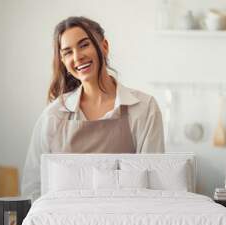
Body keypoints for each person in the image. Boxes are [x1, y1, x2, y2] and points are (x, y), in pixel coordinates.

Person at [22, 16, 165, 200]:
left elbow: (152, 183)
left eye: (84, 45)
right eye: (67, 52)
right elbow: (33, 186)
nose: (77, 57)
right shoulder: (54, 115)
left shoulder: (144, 109)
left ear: (104, 47)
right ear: (64, 62)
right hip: (65, 224)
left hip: (126, 222)